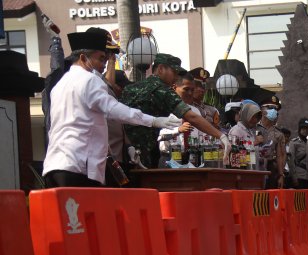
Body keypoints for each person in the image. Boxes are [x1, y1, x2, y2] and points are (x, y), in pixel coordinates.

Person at [42, 29, 179, 188]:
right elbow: (114, 110)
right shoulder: (90, 80)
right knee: (88, 212)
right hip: (78, 166)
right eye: (101, 59)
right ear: (82, 57)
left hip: (54, 165)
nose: (104, 64)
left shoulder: (60, 85)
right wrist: (154, 121)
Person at [121, 53, 230, 167]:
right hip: (148, 152)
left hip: (124, 151)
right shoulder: (162, 89)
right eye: (174, 72)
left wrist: (129, 146)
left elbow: (121, 120)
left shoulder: (130, 88)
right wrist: (220, 136)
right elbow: (191, 117)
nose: (176, 77)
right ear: (161, 69)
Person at [258, 96, 286, 189]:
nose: (273, 110)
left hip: (271, 167)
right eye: (270, 108)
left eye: (275, 108)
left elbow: (281, 156)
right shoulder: (254, 128)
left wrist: (281, 175)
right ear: (261, 109)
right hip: (256, 165)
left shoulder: (279, 134)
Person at [228, 100, 263, 169]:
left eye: (256, 117)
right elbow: (234, 155)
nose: (255, 120)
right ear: (245, 115)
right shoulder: (236, 131)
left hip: (252, 170)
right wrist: (254, 143)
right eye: (252, 117)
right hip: (242, 172)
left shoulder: (249, 131)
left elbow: (251, 151)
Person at [288, 118, 308, 188]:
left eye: (307, 128)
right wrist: (294, 177)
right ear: (300, 129)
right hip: (299, 176)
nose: (306, 130)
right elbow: (291, 161)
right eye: (304, 128)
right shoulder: (294, 143)